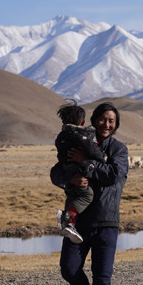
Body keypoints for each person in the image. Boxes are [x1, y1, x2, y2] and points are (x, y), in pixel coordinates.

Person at [50, 102, 128, 285]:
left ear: (116, 124)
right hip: (79, 221)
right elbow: (56, 172)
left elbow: (113, 174)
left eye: (111, 121)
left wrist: (84, 162)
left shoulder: (119, 149)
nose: (106, 124)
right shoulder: (78, 141)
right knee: (69, 267)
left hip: (106, 219)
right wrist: (69, 179)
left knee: (102, 273)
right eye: (103, 119)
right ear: (92, 120)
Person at [54, 100, 106, 244]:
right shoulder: (82, 136)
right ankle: (66, 216)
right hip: (78, 172)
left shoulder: (61, 136)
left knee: (72, 195)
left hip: (67, 170)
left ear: (63, 121)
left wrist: (67, 176)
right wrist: (101, 157)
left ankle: (70, 225)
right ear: (83, 122)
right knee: (87, 195)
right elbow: (93, 150)